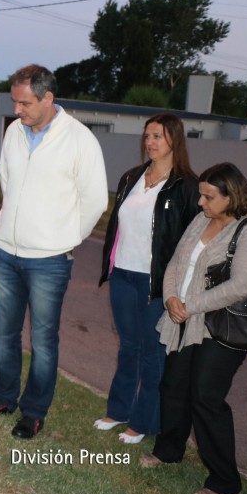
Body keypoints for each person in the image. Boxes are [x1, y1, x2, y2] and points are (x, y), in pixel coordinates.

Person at [0, 64, 108, 439]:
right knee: (5, 335)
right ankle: (3, 398)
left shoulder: (79, 140)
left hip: (49, 259)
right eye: (15, 102)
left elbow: (95, 200)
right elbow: (9, 182)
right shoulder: (14, 132)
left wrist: (64, 238)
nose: (18, 110)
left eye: (25, 103)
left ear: (48, 98)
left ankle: (34, 411)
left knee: (43, 341)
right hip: (5, 253)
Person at [140, 163, 247, 494]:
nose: (201, 202)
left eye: (209, 197)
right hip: (185, 319)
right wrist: (171, 298)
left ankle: (226, 485)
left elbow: (240, 286)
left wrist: (190, 305)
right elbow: (175, 261)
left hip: (222, 329)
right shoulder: (201, 220)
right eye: (201, 195)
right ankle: (169, 451)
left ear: (232, 196)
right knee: (173, 387)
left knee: (206, 397)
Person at [95, 114, 200, 444]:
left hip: (157, 283)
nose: (150, 142)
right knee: (128, 347)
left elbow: (191, 241)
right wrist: (111, 267)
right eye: (147, 136)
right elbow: (117, 225)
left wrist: (181, 287)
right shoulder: (131, 177)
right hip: (123, 275)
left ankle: (143, 422)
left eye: (158, 136)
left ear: (174, 140)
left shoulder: (187, 186)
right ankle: (119, 410)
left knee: (153, 354)